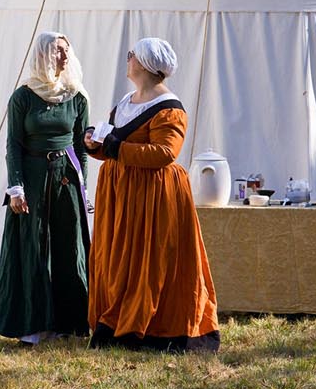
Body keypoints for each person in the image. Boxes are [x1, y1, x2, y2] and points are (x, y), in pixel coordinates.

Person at [85, 39, 219, 352]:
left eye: (132, 54)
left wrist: (117, 147)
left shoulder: (170, 108)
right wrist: (95, 143)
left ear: (144, 64)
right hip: (122, 191)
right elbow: (113, 142)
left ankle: (151, 328)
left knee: (150, 259)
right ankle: (115, 321)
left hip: (153, 195)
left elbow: (164, 153)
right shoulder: (127, 100)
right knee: (119, 257)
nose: (127, 58)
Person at [0, 33, 90, 344]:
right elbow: (13, 145)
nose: (64, 57)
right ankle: (33, 326)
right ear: (43, 54)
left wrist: (83, 188)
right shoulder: (23, 96)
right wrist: (15, 187)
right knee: (33, 246)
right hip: (31, 177)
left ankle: (66, 323)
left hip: (66, 178)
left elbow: (81, 146)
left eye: (66, 51)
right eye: (58, 51)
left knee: (67, 246)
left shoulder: (77, 96)